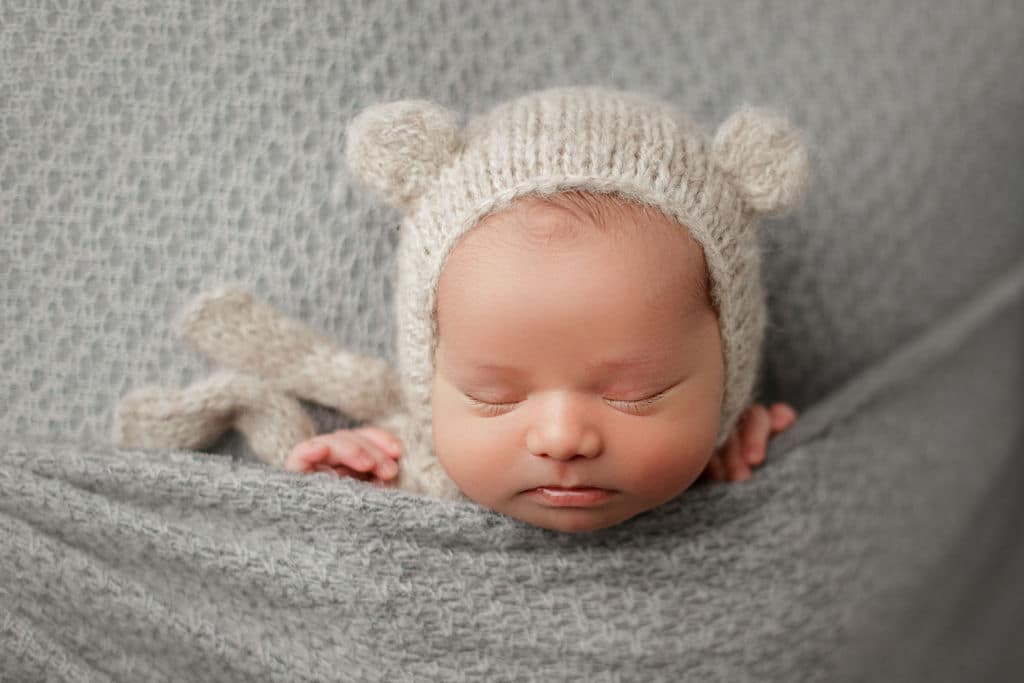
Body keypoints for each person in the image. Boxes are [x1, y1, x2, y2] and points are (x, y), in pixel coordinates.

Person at [284, 86, 810, 532]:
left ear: (728, 372)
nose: (561, 440)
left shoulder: (725, 474)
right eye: (491, 396)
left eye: (637, 394)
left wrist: (751, 453)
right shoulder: (410, 478)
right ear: (430, 381)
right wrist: (348, 493)